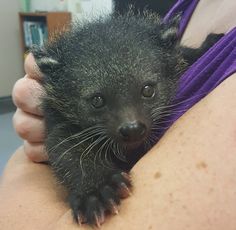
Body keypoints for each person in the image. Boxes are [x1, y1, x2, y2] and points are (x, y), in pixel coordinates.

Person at [1, 0, 236, 229]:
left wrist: (22, 165)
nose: (131, 122)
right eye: (98, 101)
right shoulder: (182, 8)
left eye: (147, 92)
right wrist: (91, 183)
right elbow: (64, 142)